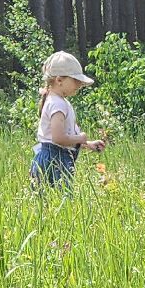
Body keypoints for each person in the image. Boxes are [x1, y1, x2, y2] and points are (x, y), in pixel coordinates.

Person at [31, 51, 106, 189]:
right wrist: (80, 138)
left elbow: (64, 137)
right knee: (59, 202)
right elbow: (58, 138)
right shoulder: (57, 104)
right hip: (54, 161)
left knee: (47, 203)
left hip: (52, 158)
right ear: (59, 80)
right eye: (75, 80)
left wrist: (87, 144)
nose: (79, 84)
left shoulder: (57, 101)